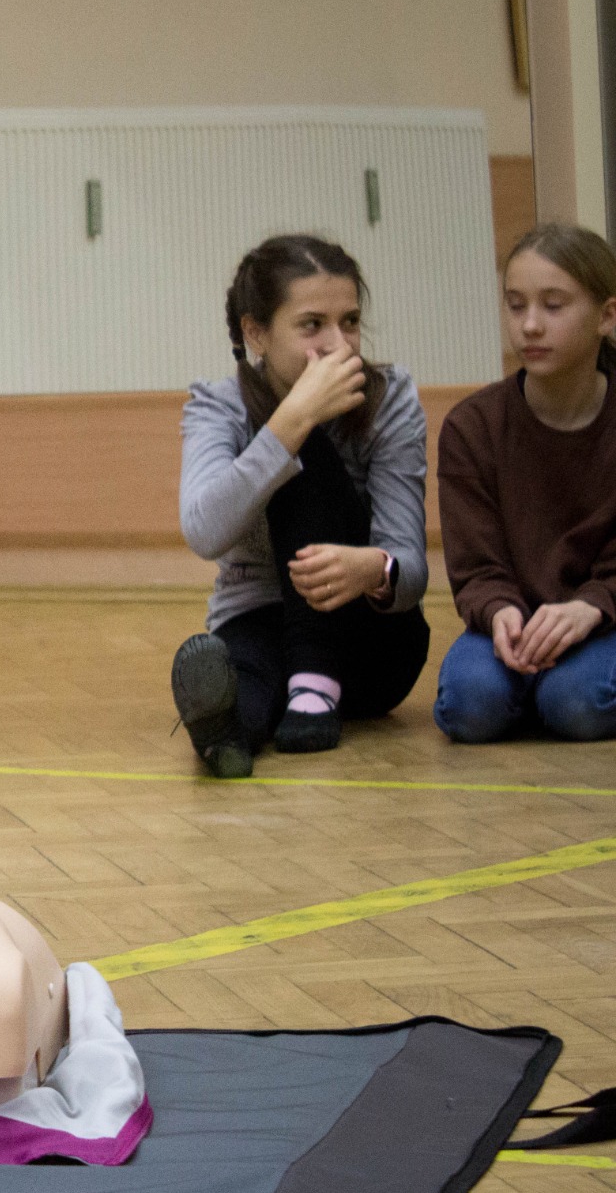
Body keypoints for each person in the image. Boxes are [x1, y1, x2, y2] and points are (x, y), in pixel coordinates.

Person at [170, 235, 430, 778]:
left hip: (371, 644)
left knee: (307, 446)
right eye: (313, 325)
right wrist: (289, 421)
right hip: (261, 625)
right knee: (250, 686)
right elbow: (202, 531)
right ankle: (224, 730)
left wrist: (375, 569)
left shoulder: (392, 398)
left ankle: (315, 680)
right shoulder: (219, 406)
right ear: (255, 332)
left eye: (351, 322)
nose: (340, 346)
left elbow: (411, 566)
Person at [433, 224, 616, 744]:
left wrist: (592, 607)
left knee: (577, 703)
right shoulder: (474, 426)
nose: (530, 325)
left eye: (553, 306)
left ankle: (554, 690)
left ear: (607, 315)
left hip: (603, 617)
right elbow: (475, 566)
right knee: (469, 706)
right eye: (516, 306)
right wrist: (501, 614)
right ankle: (536, 688)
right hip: (511, 620)